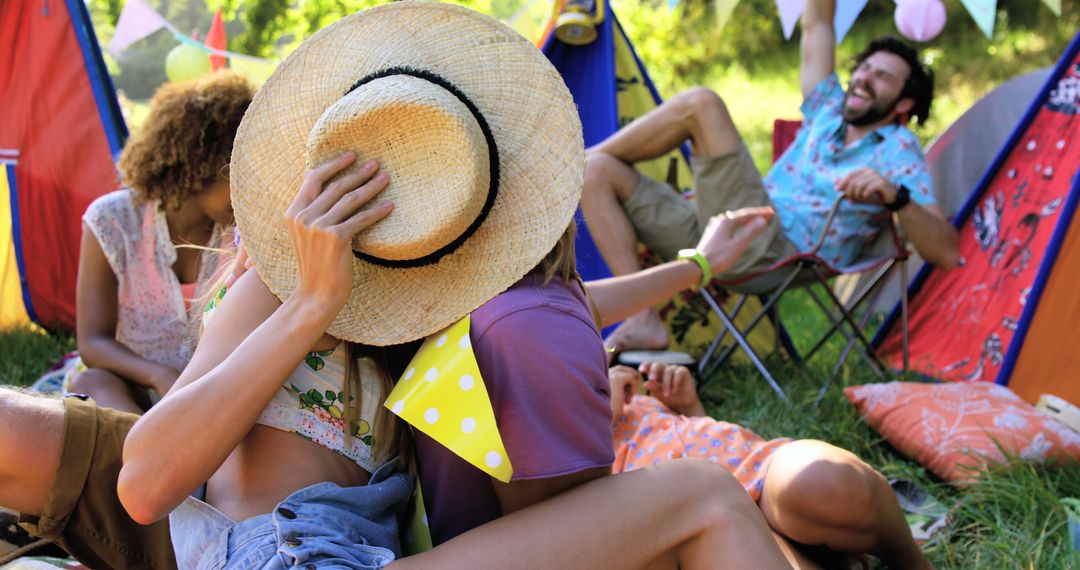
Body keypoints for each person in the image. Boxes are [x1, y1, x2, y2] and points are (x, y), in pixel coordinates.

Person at [0, 4, 791, 569]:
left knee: (703, 498)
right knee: (703, 497)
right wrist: (313, 302)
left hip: (344, 553)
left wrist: (698, 266)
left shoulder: (434, 293)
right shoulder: (278, 289)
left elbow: (578, 305)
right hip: (284, 556)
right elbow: (144, 485)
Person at [581, 0, 960, 352]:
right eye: (863, 67)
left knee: (702, 104)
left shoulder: (899, 150)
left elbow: (945, 252)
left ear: (904, 102)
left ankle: (566, 162)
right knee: (594, 172)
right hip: (717, 233)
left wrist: (897, 198)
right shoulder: (827, 108)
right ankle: (642, 317)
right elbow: (817, 23)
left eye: (882, 77)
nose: (863, 78)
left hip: (776, 250)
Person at [608, 362, 933, 569]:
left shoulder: (623, 393)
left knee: (829, 482)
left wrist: (689, 407)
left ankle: (913, 562)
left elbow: (692, 442)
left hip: (757, 474)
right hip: (699, 530)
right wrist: (591, 415)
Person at [66, 72, 254, 413]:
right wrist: (158, 375)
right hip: (133, 389)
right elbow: (93, 342)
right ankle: (142, 453)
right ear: (200, 166)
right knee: (90, 382)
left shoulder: (238, 234)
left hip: (205, 393)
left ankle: (161, 454)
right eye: (237, 175)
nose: (247, 192)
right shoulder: (112, 221)